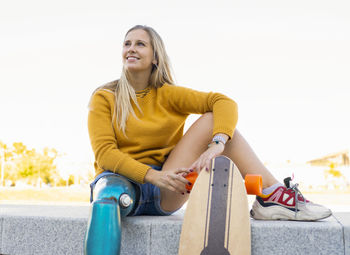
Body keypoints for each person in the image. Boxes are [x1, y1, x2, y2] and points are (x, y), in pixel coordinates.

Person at [88, 24, 331, 221]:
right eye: (127, 43)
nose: (131, 48)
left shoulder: (167, 94)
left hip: (166, 188)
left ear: (155, 57)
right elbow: (105, 154)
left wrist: (218, 143)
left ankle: (271, 195)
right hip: (119, 183)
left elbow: (223, 102)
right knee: (108, 196)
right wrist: (151, 175)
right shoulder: (105, 96)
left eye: (140, 44)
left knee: (215, 120)